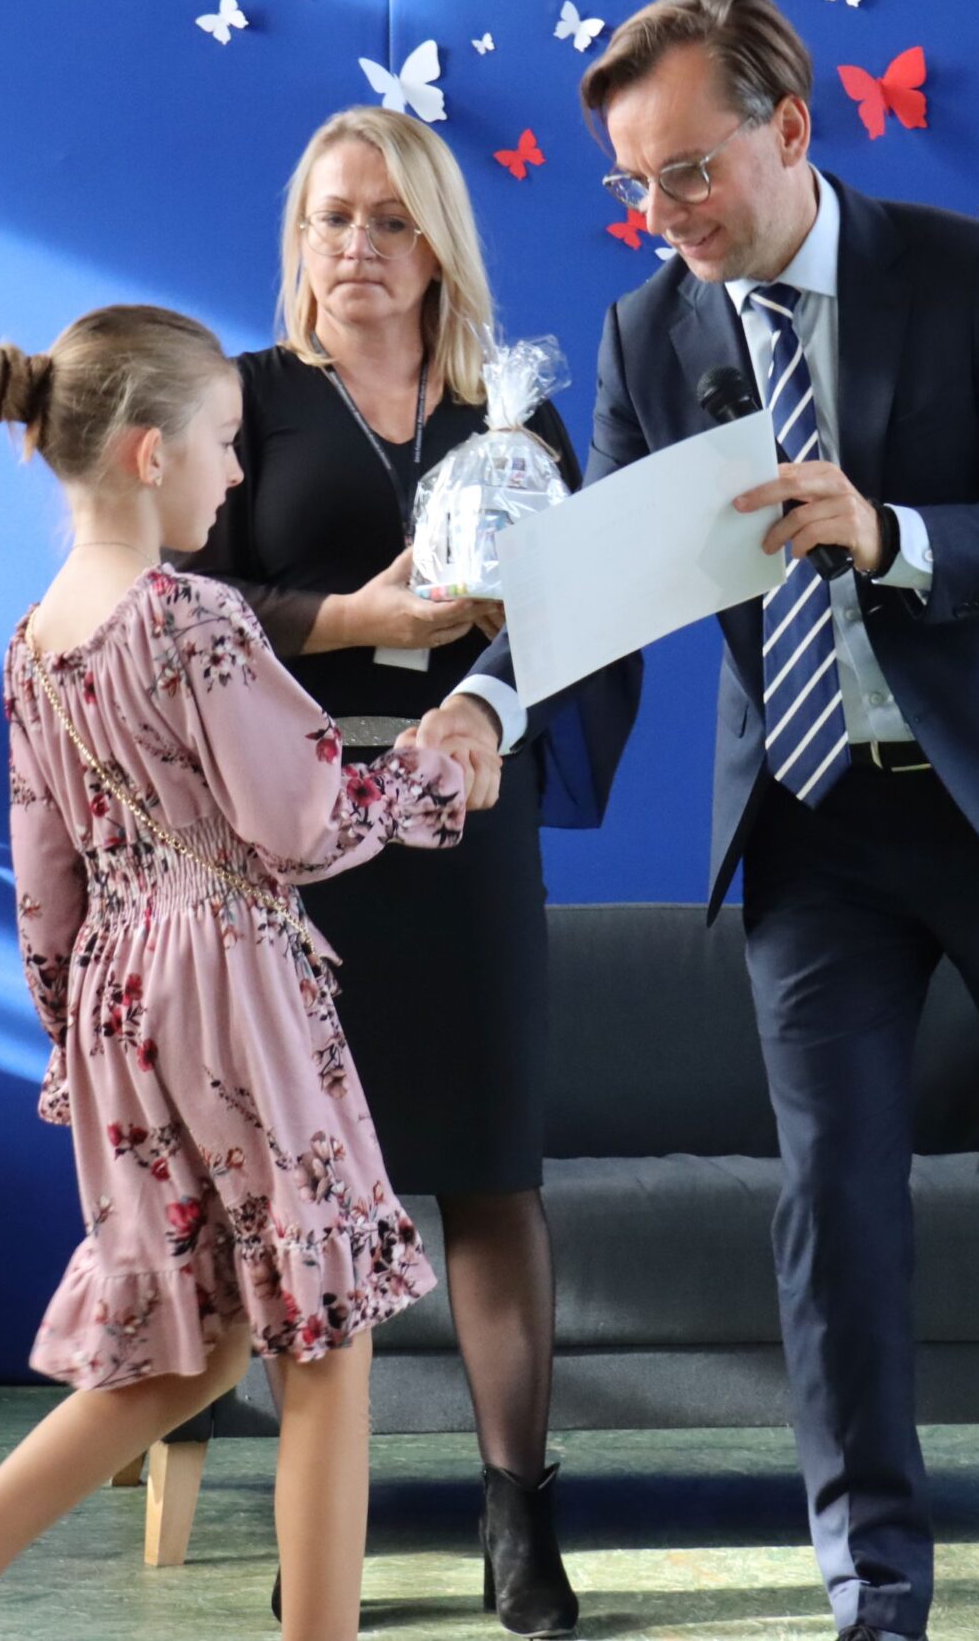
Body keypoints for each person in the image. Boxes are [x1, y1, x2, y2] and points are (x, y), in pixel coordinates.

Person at [417, 0, 979, 1641]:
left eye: (690, 171)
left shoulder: (966, 276)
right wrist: (485, 706)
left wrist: (892, 531)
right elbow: (596, 596)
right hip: (815, 824)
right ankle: (875, 1586)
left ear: (789, 128)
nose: (664, 214)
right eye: (634, 183)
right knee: (833, 1211)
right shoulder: (646, 337)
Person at [0, 305, 469, 1641]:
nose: (236, 473)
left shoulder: (36, 641)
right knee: (325, 1339)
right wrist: (434, 775)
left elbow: (42, 876)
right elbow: (300, 825)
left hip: (121, 996)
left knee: (205, 1337)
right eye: (225, 444)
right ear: (150, 453)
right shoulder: (193, 621)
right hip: (233, 985)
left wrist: (73, 1037)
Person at [176, 106, 638, 1639]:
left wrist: (489, 690)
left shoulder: (514, 417)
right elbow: (186, 610)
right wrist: (359, 622)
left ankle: (521, 1519)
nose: (356, 246)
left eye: (388, 220)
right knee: (311, 1191)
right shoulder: (244, 402)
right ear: (298, 238)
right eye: (331, 217)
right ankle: (324, 1529)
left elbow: (578, 618)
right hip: (296, 831)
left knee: (492, 1176)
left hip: (465, 817)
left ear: (439, 247)